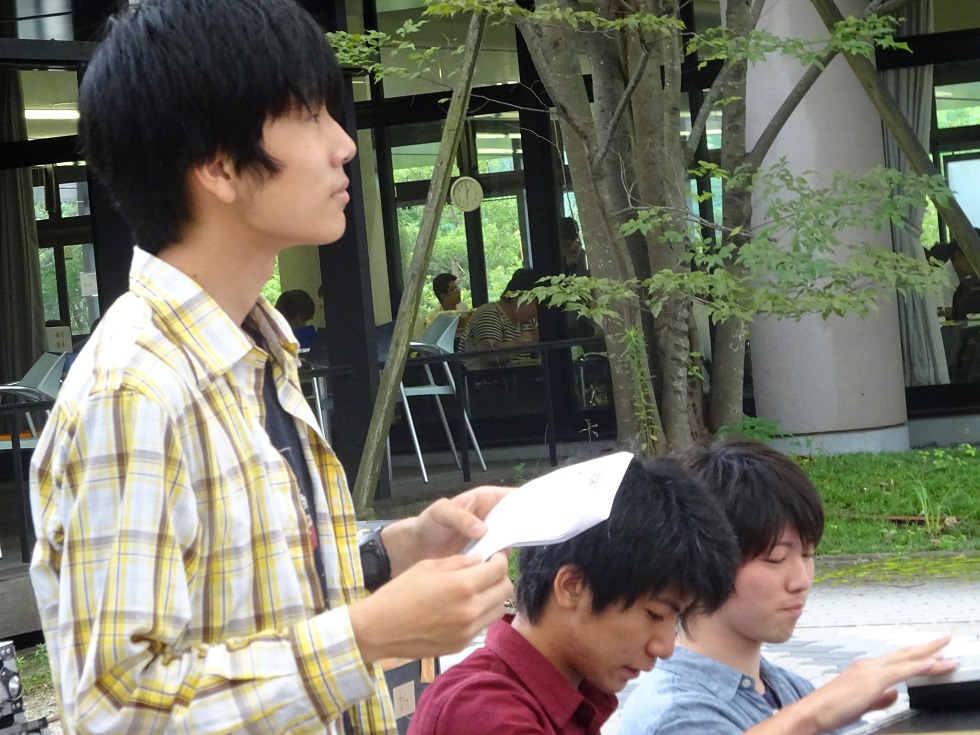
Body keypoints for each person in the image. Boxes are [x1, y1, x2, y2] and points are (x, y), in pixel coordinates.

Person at [28, 2, 513, 734]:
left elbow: (248, 591)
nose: (343, 144)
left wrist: (397, 550)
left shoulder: (256, 347)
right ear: (219, 165)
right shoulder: (134, 388)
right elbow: (116, 708)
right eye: (310, 116)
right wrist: (366, 636)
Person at [618, 440, 955, 735]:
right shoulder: (678, 715)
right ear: (708, 561)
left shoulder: (787, 688)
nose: (801, 580)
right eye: (775, 558)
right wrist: (812, 715)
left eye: (808, 554)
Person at [408, 456, 741, 735]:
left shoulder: (569, 699)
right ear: (572, 587)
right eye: (655, 614)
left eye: (676, 619)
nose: (664, 647)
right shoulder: (484, 712)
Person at [460, 267, 540, 368]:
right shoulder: (489, 313)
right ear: (519, 298)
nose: (537, 311)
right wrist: (523, 341)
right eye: (535, 303)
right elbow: (490, 355)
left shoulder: (528, 320)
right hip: (487, 376)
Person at [414, 273, 465, 340]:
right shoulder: (435, 318)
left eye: (457, 288)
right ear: (443, 296)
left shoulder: (463, 307)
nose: (458, 291)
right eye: (452, 289)